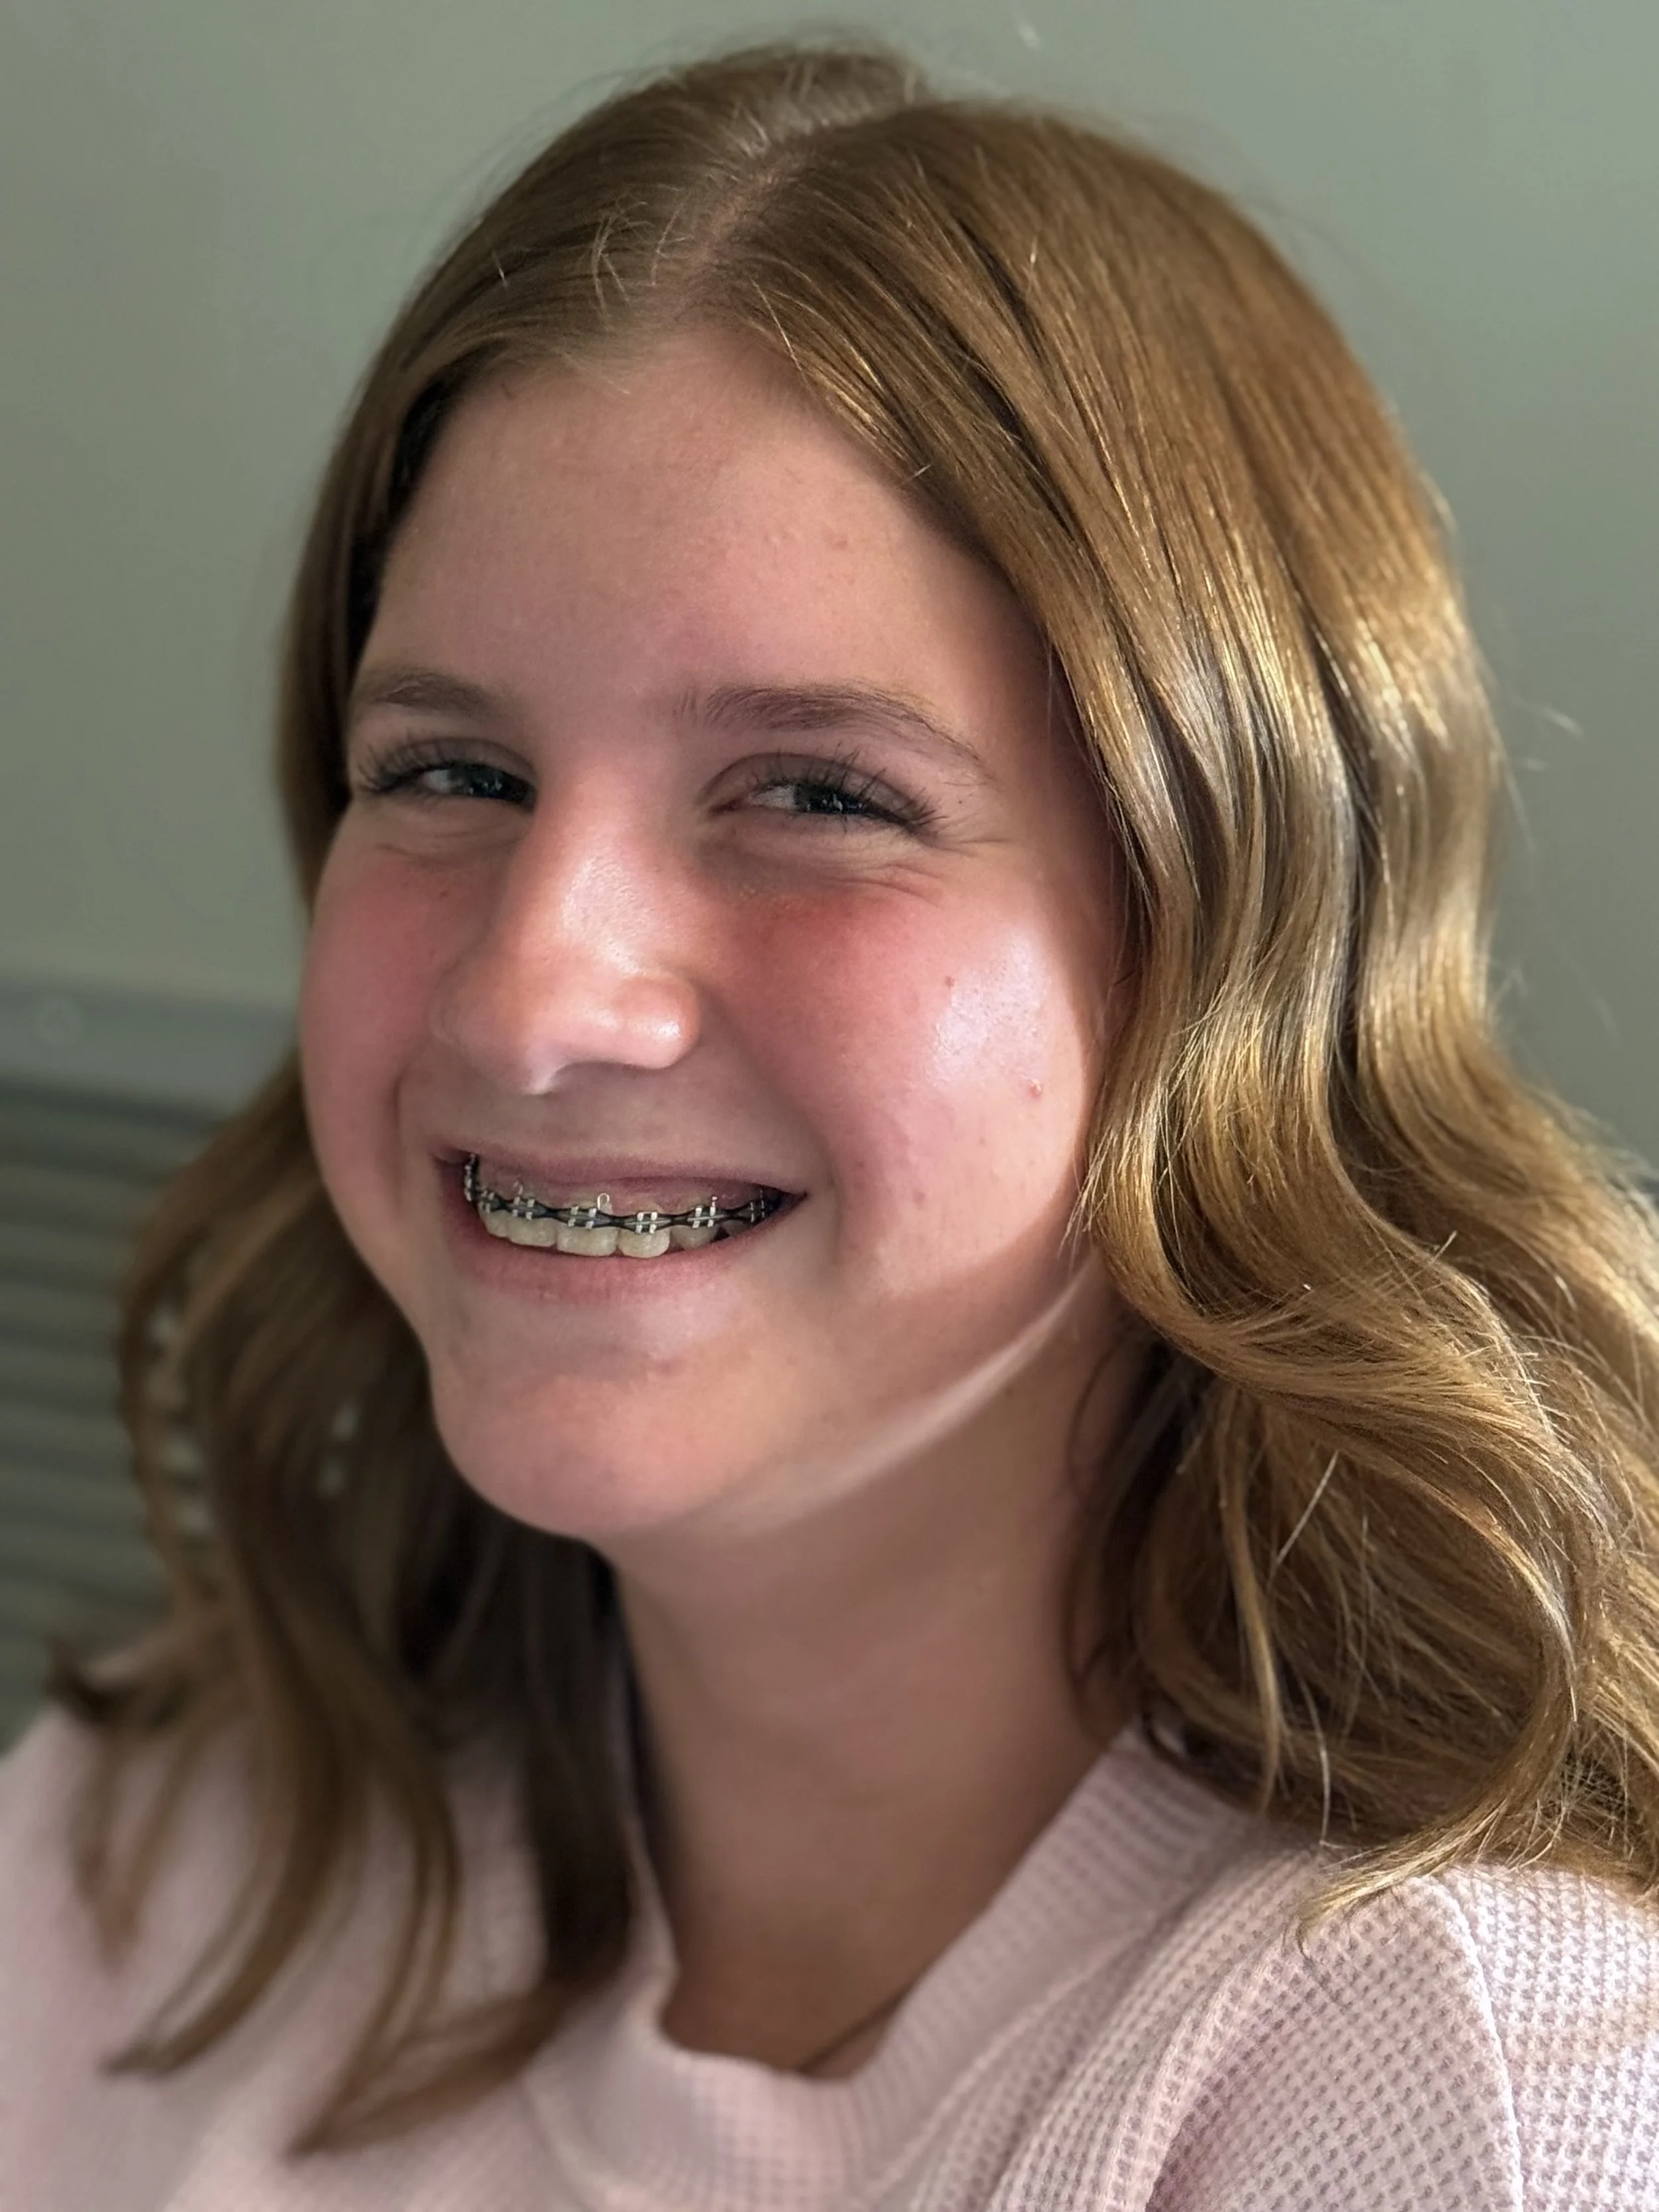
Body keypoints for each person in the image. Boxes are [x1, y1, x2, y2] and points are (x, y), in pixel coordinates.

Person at [4, 37, 1658, 2210]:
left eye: (815, 794)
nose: (529, 989)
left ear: (1230, 942)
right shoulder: (154, 1850)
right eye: (449, 774)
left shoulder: (1464, 2071)